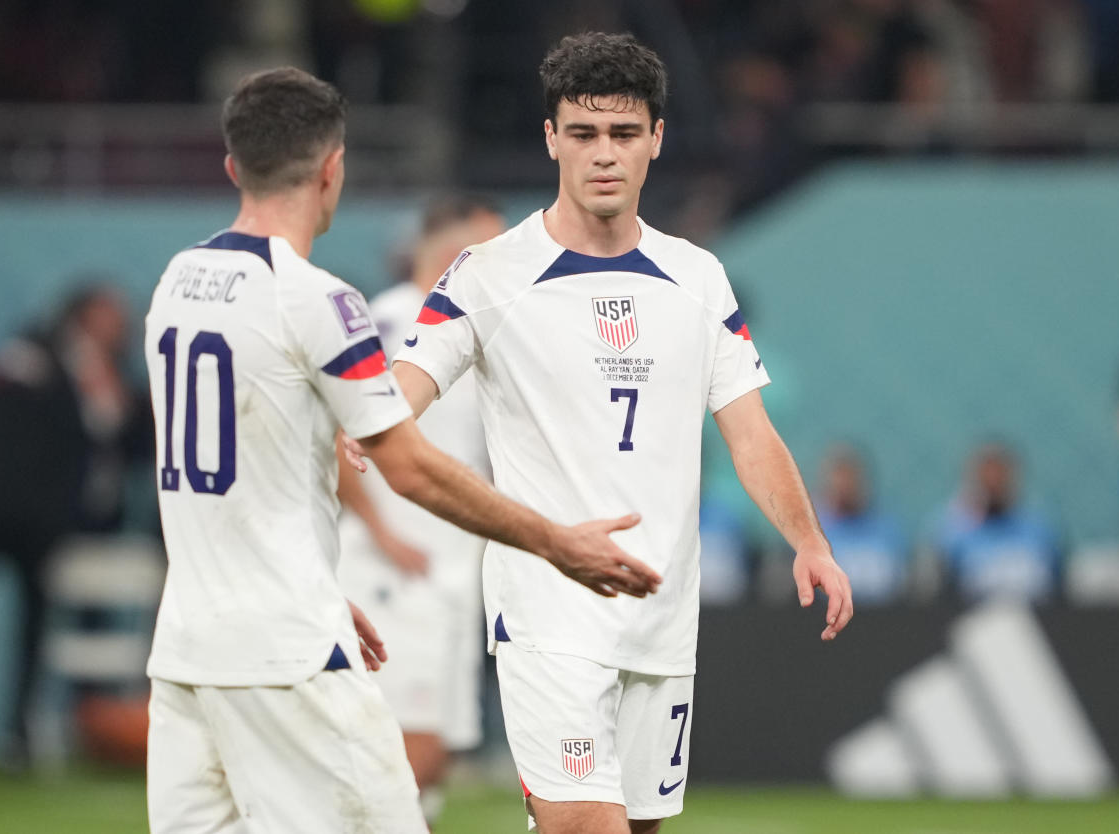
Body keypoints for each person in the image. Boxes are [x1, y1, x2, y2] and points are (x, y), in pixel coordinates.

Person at [346, 32, 853, 834]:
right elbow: (396, 397)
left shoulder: (697, 278)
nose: (602, 154)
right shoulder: (487, 274)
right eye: (581, 133)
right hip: (547, 607)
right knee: (589, 826)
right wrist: (356, 433)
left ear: (657, 137)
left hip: (660, 613)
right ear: (551, 138)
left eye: (623, 133)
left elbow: (748, 432)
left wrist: (809, 540)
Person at [142, 67, 661, 834]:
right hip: (286, 654)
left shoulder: (177, 282)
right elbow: (407, 467)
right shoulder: (322, 301)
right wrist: (557, 544)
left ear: (231, 167)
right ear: (332, 168)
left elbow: (238, 468)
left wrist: (314, 581)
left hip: (186, 650)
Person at [0, 284, 145, 774]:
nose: (119, 326)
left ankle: (19, 734)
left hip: (42, 531)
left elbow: (127, 446)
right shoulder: (24, 361)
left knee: (34, 626)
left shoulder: (110, 379)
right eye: (108, 314)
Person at [335, 193, 505, 823]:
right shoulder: (392, 319)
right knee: (413, 742)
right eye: (486, 245)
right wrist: (379, 531)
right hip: (399, 571)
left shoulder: (464, 325)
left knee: (439, 753)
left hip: (449, 563)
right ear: (448, 251)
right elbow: (336, 432)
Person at [929, 442, 1061, 601]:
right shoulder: (951, 531)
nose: (993, 481)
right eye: (986, 474)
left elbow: (1058, 587)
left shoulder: (1040, 529)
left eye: (999, 473)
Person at [815, 444, 908, 605]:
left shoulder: (888, 531)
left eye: (850, 477)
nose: (845, 485)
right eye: (839, 477)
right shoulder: (813, 533)